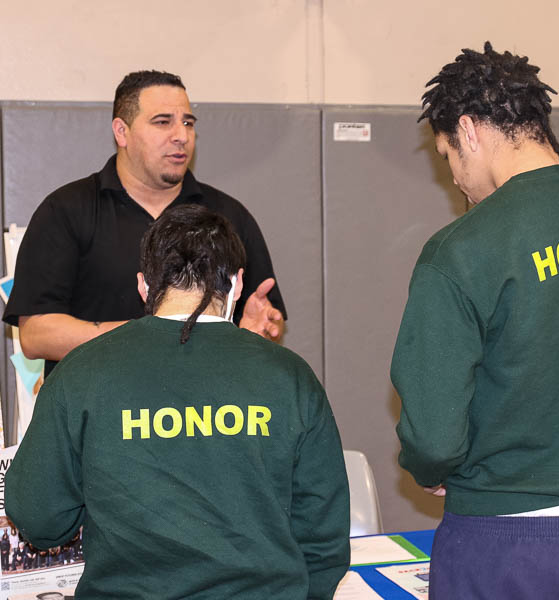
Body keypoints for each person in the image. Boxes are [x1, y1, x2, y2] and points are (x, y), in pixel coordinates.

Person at [5, 205, 350, 599]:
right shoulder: (290, 376)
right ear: (237, 285)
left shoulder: (81, 372)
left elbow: (37, 515)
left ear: (143, 286)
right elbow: (324, 538)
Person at [391, 42, 559, 599]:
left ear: (470, 131)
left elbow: (433, 434)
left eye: (448, 156)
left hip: (510, 537)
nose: (456, 178)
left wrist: (432, 464)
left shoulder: (461, 251)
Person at [3, 70, 286, 377]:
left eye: (188, 123)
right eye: (163, 122)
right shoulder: (66, 211)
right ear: (121, 131)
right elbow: (35, 335)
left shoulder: (227, 216)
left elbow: (265, 321)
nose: (181, 135)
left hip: (203, 415)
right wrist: (150, 335)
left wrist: (253, 331)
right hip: (100, 411)